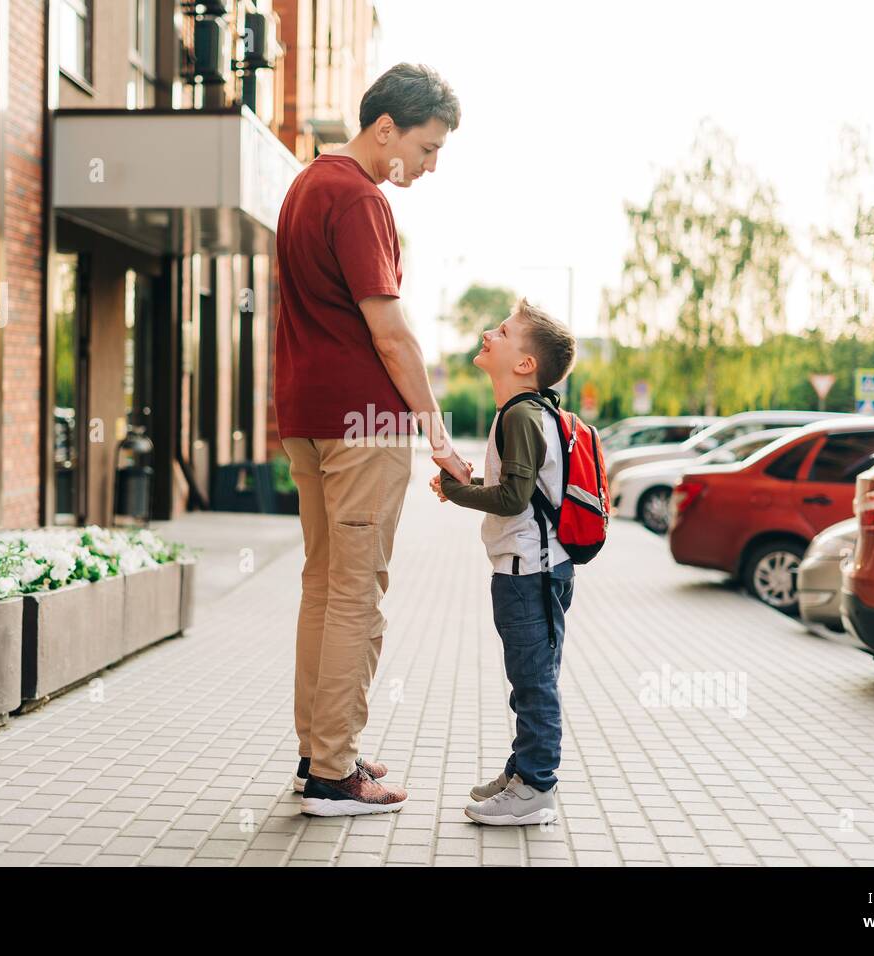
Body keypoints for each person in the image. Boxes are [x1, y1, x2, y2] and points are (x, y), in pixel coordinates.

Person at [275, 63, 470, 817]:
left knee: (324, 589)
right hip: (364, 425)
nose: (430, 165)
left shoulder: (304, 184)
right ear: (385, 128)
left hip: (309, 420)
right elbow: (391, 334)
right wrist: (438, 434)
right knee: (357, 595)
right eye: (427, 148)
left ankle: (319, 751)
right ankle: (334, 773)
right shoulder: (358, 198)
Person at [432, 298, 578, 825]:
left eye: (503, 330)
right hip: (538, 569)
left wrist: (456, 489)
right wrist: (466, 487)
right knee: (531, 676)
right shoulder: (530, 412)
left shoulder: (519, 414)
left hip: (528, 572)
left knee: (533, 681)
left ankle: (536, 788)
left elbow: (513, 499)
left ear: (525, 364)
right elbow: (520, 490)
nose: (488, 333)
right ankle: (523, 771)